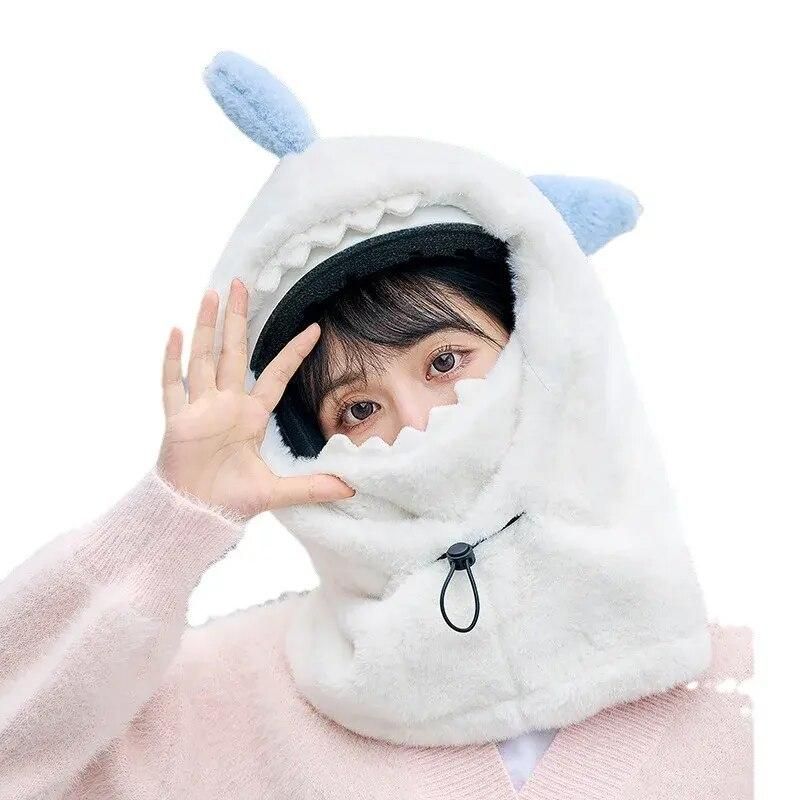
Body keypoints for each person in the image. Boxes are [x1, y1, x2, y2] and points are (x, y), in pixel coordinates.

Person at [0, 52, 752, 798]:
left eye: (446, 361)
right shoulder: (216, 709)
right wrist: (168, 525)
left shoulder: (745, 696)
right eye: (359, 409)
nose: (420, 425)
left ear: (543, 344)